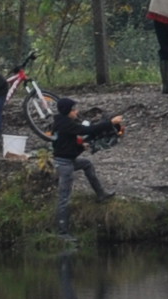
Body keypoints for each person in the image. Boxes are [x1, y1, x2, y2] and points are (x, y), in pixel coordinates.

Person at [47, 94, 119, 230]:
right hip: (64, 164)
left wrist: (80, 146)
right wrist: (110, 123)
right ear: (67, 111)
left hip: (66, 160)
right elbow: (87, 130)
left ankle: (101, 194)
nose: (77, 111)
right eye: (74, 109)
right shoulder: (66, 124)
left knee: (87, 164)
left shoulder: (61, 123)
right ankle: (62, 232)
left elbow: (64, 144)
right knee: (64, 198)